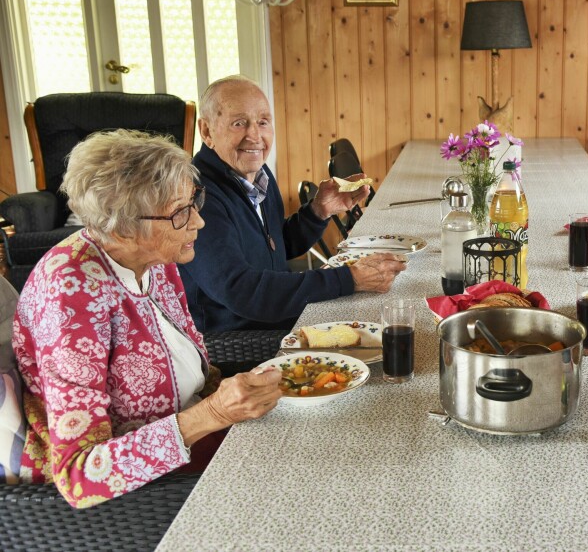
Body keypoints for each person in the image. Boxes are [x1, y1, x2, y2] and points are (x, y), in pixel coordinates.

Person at [13, 130, 282, 508]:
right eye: (180, 213)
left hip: (203, 436)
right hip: (147, 493)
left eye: (194, 202)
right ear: (122, 227)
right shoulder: (70, 296)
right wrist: (215, 413)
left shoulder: (156, 257)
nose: (199, 223)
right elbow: (79, 477)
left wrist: (236, 395)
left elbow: (199, 375)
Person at [180, 76, 406, 332]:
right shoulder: (197, 196)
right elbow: (242, 292)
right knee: (386, 328)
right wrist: (349, 278)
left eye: (263, 122)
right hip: (241, 338)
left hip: (276, 314)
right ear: (207, 131)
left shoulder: (256, 173)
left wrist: (318, 212)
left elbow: (276, 246)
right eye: (239, 123)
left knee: (394, 309)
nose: (255, 135)